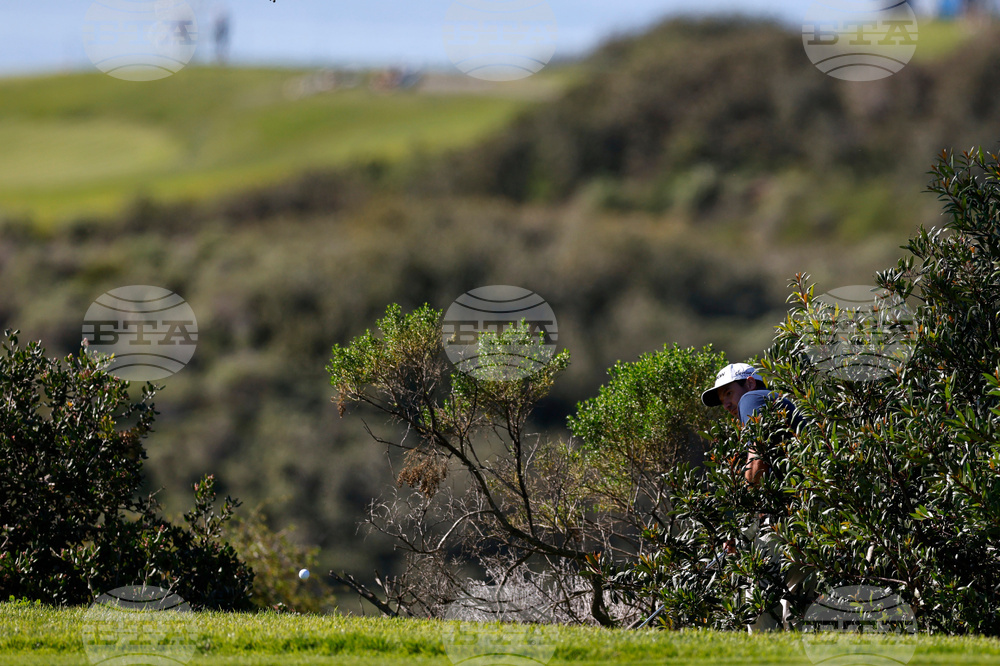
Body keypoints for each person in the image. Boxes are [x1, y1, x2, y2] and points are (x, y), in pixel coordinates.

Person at [700, 362, 807, 632]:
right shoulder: (781, 404)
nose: (726, 403)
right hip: (808, 522)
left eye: (728, 393)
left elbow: (757, 461)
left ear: (749, 383)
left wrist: (742, 526)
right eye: (722, 399)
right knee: (796, 611)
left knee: (758, 609)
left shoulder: (753, 398)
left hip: (781, 524)